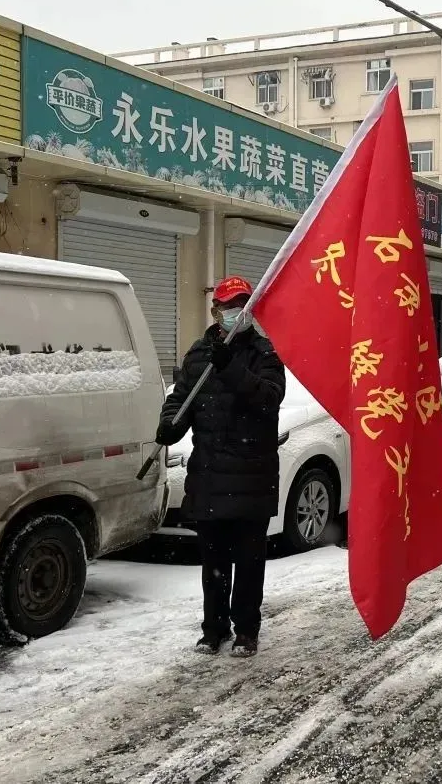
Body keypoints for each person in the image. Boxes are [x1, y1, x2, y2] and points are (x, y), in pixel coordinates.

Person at [156, 276, 287, 657]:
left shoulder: (264, 354)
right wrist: (169, 424)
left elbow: (268, 400)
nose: (234, 313)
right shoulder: (198, 354)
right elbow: (180, 398)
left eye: (241, 306)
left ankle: (246, 629)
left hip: (252, 477)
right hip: (209, 476)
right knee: (213, 565)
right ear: (215, 311)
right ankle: (212, 630)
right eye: (228, 306)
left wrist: (231, 368)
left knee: (248, 563)